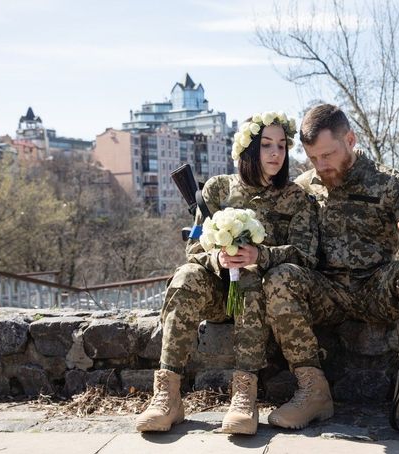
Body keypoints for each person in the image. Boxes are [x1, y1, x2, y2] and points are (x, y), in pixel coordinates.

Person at [263, 104, 399, 433]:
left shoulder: (389, 184)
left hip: (376, 288)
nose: (321, 166)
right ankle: (312, 391)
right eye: (313, 158)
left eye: (327, 155)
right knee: (280, 278)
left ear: (349, 139)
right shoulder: (304, 187)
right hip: (326, 291)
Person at [135, 111, 318, 436]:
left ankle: (244, 395)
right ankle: (168, 394)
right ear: (249, 149)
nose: (276, 153)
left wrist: (259, 255)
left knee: (248, 273)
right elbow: (194, 249)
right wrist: (220, 258)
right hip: (220, 293)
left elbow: (306, 255)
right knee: (185, 276)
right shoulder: (218, 189)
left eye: (281, 146)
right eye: (266, 145)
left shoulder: (296, 198)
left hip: (265, 295)